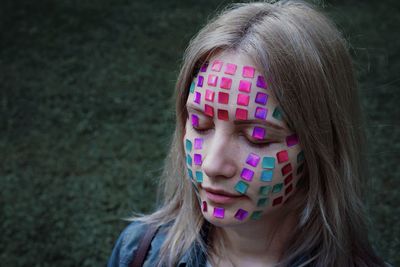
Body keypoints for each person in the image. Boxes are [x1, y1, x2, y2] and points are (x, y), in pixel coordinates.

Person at [108, 1, 387, 266]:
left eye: (257, 137)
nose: (213, 165)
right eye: (200, 124)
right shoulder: (139, 252)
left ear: (321, 146)